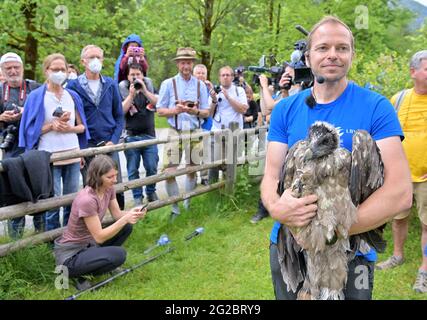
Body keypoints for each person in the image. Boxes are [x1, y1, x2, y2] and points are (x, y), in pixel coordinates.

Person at [260, 16, 412, 300]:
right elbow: (271, 175)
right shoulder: (285, 109)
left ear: (351, 55)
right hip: (290, 247)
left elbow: (401, 192)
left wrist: (327, 233)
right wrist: (276, 208)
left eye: (342, 48)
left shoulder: (376, 107)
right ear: (308, 56)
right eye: (323, 48)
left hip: (354, 249)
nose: (333, 54)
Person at [19, 53, 90, 231]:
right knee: (52, 202)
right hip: (49, 157)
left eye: (62, 69)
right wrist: (51, 126)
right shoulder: (36, 96)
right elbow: (29, 130)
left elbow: (82, 127)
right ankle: (52, 239)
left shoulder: (72, 96)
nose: (59, 72)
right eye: (55, 69)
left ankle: (69, 234)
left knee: (72, 199)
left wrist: (69, 129)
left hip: (73, 154)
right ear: (46, 71)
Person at [375, 50, 427, 293]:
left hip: (426, 178)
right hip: (401, 176)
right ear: (413, 72)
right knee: (398, 219)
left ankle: (424, 270)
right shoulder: (398, 99)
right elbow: (387, 136)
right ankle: (397, 255)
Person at [53, 155, 146, 290]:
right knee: (119, 255)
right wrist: (126, 218)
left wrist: (133, 212)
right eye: (110, 177)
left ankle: (96, 264)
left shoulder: (108, 189)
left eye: (116, 175)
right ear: (97, 176)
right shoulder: (87, 200)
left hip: (89, 245)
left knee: (126, 226)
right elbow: (99, 236)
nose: (115, 180)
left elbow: (117, 215)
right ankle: (80, 276)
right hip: (71, 255)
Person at [66, 45, 126, 210]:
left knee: (115, 185)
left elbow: (119, 116)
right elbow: (71, 120)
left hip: (108, 143)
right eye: (91, 57)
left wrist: (113, 140)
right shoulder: (73, 87)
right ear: (83, 61)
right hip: (87, 145)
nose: (95, 61)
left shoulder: (110, 84)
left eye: (98, 57)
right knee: (91, 188)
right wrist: (79, 148)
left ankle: (118, 223)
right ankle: (94, 227)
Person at [157, 47, 209, 219]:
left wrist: (195, 112)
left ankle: (187, 204)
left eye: (188, 62)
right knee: (170, 171)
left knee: (192, 169)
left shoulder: (201, 85)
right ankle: (174, 208)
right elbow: (160, 111)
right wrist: (176, 110)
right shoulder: (168, 83)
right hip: (175, 131)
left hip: (195, 131)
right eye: (183, 62)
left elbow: (207, 112)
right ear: (178, 64)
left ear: (192, 64)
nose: (186, 66)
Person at [0, 52, 42, 238]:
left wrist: (27, 112)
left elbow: (47, 113)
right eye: (8, 68)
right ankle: (15, 242)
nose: (13, 71)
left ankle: (41, 236)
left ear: (23, 68)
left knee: (39, 191)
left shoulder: (35, 88)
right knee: (14, 193)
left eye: (16, 67)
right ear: (2, 70)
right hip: (10, 149)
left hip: (35, 147)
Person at [250, 67, 298, 224]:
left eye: (290, 73)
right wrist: (266, 89)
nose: (287, 76)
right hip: (279, 138)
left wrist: (264, 85)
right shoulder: (287, 90)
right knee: (271, 174)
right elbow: (265, 111)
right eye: (285, 73)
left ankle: (284, 207)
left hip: (291, 142)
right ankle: (265, 207)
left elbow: (272, 107)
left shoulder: (301, 89)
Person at [119, 63, 159, 205]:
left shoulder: (149, 87)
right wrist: (131, 95)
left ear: (143, 75)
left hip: (149, 135)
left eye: (138, 74)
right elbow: (121, 111)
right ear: (128, 77)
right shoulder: (123, 90)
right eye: (132, 75)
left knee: (152, 166)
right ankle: (137, 197)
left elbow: (158, 103)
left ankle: (151, 192)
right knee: (132, 170)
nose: (135, 77)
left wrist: (144, 91)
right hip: (131, 136)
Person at [208, 66, 248, 182]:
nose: (225, 77)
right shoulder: (214, 91)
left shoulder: (238, 90)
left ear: (232, 77)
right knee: (214, 164)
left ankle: (230, 190)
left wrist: (228, 97)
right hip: (217, 131)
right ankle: (212, 191)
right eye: (223, 75)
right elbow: (209, 114)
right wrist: (214, 100)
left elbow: (243, 110)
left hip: (234, 133)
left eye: (228, 75)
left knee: (231, 164)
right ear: (219, 78)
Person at [193, 64, 213, 186]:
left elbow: (211, 108)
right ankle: (193, 176)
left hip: (206, 125)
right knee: (193, 153)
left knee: (205, 153)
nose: (200, 75)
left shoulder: (209, 89)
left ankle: (204, 176)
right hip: (192, 125)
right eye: (198, 73)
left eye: (203, 73)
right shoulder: (190, 88)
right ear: (194, 74)